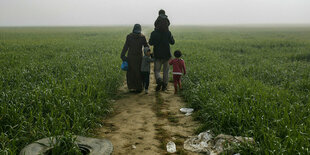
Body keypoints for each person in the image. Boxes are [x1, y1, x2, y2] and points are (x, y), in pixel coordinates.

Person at [121, 24, 149, 92]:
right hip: (139, 57)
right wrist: (148, 55)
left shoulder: (129, 36)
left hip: (130, 57)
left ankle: (131, 87)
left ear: (133, 29)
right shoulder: (142, 37)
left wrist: (122, 55)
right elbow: (146, 47)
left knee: (131, 72)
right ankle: (139, 87)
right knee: (139, 72)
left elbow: (126, 47)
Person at [149, 25, 175, 91]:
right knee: (166, 71)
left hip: (157, 55)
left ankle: (159, 80)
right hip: (167, 55)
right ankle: (164, 86)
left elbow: (150, 43)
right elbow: (172, 42)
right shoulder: (168, 32)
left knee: (156, 70)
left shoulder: (153, 33)